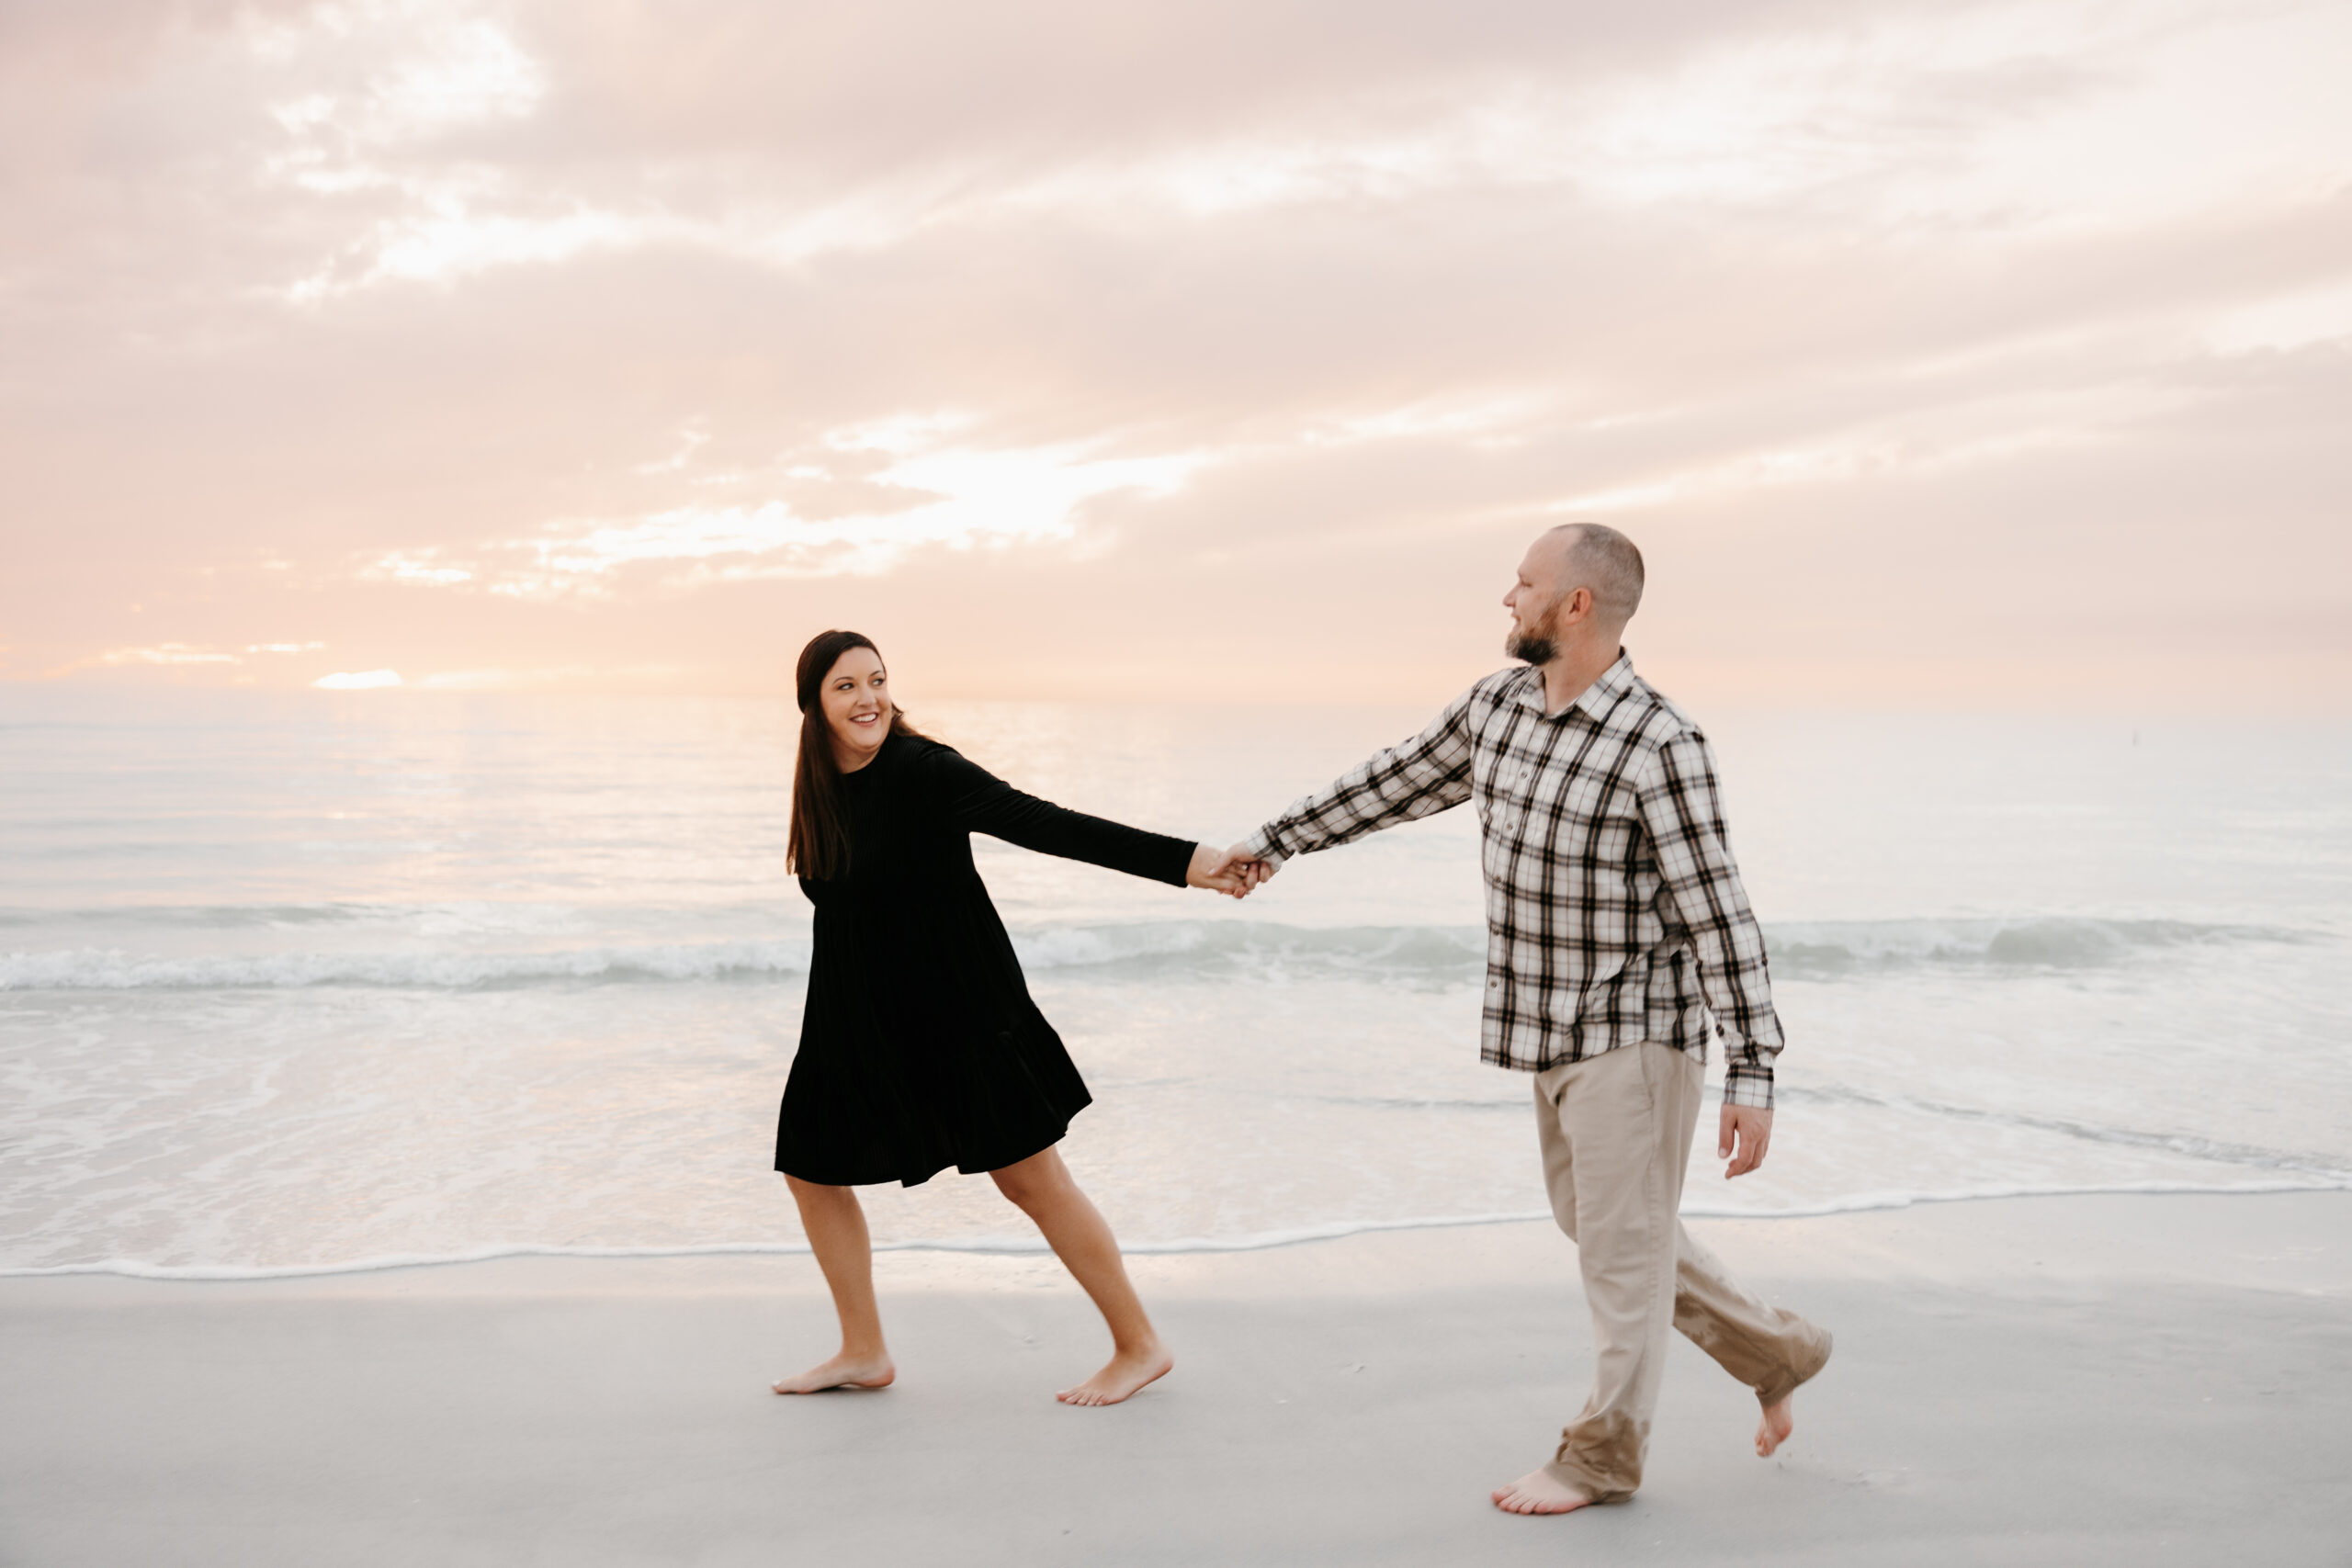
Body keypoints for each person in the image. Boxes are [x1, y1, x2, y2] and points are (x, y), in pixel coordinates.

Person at [1228, 523, 1831, 1513]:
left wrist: (1751, 1070)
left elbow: (1720, 911)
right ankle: (1779, 1349)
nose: (1506, 600)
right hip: (1544, 1021)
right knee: (1603, 1229)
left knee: (1619, 1256)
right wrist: (1274, 841)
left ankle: (1601, 1457)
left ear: (1576, 605)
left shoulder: (1659, 744)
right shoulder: (1499, 704)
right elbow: (1394, 779)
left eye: (1523, 584)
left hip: (1637, 1030)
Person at [772, 628, 1252, 1407]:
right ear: (813, 705)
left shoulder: (926, 769)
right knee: (811, 1168)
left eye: (877, 680)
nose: (869, 699)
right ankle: (862, 1349)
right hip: (855, 1016)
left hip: (962, 1006)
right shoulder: (821, 787)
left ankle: (1140, 1344)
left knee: (1031, 1179)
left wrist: (1190, 862)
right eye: (846, 686)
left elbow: (1048, 822)